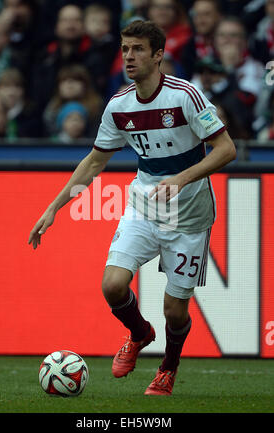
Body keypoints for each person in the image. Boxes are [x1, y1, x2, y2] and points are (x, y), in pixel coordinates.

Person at [28, 20, 236, 396]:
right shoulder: (119, 105)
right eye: (125, 49)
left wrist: (182, 178)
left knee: (175, 308)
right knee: (112, 285)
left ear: (158, 55)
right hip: (143, 206)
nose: (129, 56)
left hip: (189, 217)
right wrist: (53, 208)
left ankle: (168, 367)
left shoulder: (185, 95)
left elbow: (226, 149)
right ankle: (140, 333)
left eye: (138, 49)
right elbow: (94, 162)